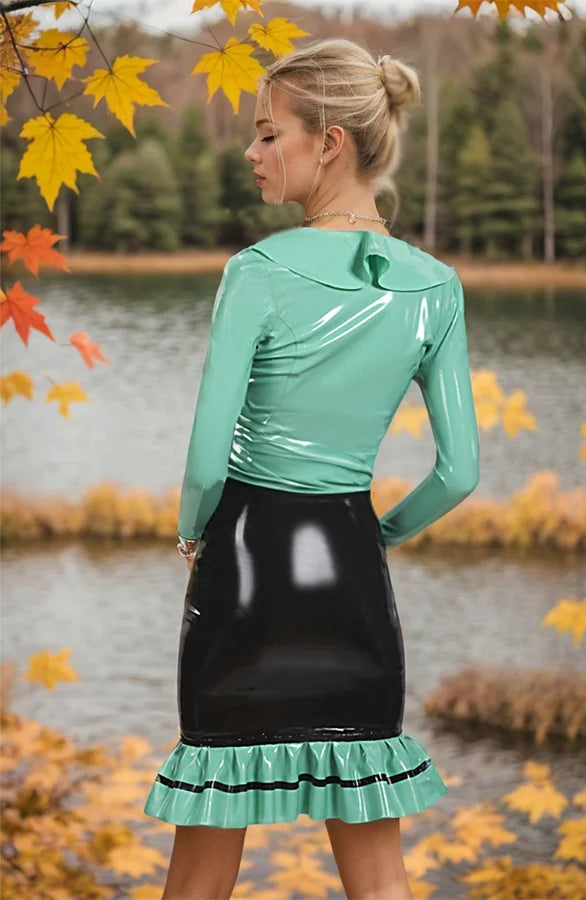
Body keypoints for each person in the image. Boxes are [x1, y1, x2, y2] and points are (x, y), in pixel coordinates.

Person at [144, 37, 480, 900]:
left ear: (330, 141)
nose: (251, 153)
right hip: (353, 580)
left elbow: (206, 459)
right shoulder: (436, 288)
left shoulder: (255, 273)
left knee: (202, 859)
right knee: (378, 873)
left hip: (245, 572)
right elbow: (460, 473)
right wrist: (377, 536)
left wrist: (191, 533)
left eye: (268, 133)